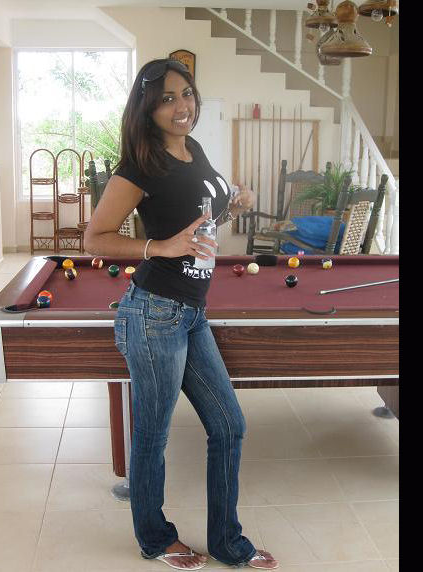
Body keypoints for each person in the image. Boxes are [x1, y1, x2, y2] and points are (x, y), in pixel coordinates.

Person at [84, 58, 279, 571]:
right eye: (167, 99)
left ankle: (226, 543)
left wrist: (233, 206)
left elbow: (200, 221)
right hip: (153, 314)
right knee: (152, 435)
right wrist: (161, 246)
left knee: (229, 426)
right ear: (147, 108)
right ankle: (155, 538)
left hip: (192, 312)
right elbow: (95, 238)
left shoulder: (195, 150)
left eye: (186, 93)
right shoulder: (139, 166)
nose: (181, 106)